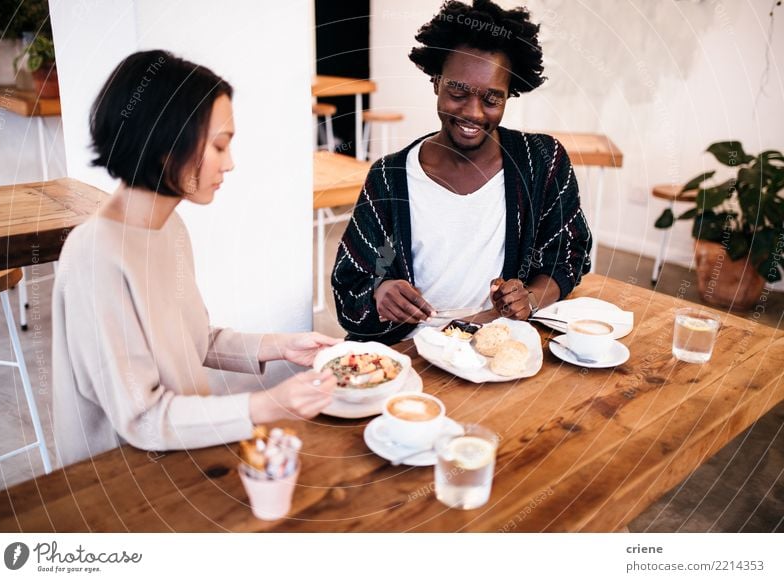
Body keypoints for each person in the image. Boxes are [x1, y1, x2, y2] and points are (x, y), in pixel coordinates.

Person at [52, 50, 339, 467]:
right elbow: (143, 419)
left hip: (185, 448)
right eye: (219, 146)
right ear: (166, 145)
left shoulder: (169, 227)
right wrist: (267, 405)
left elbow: (196, 340)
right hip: (118, 478)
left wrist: (282, 346)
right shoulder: (95, 255)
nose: (231, 163)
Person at [332, 0, 592, 345]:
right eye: (457, 92)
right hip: (408, 348)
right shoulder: (389, 176)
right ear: (436, 81)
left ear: (509, 95)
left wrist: (530, 298)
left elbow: (569, 251)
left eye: (491, 99)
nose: (473, 113)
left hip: (495, 343)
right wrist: (381, 289)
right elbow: (353, 277)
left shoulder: (541, 162)